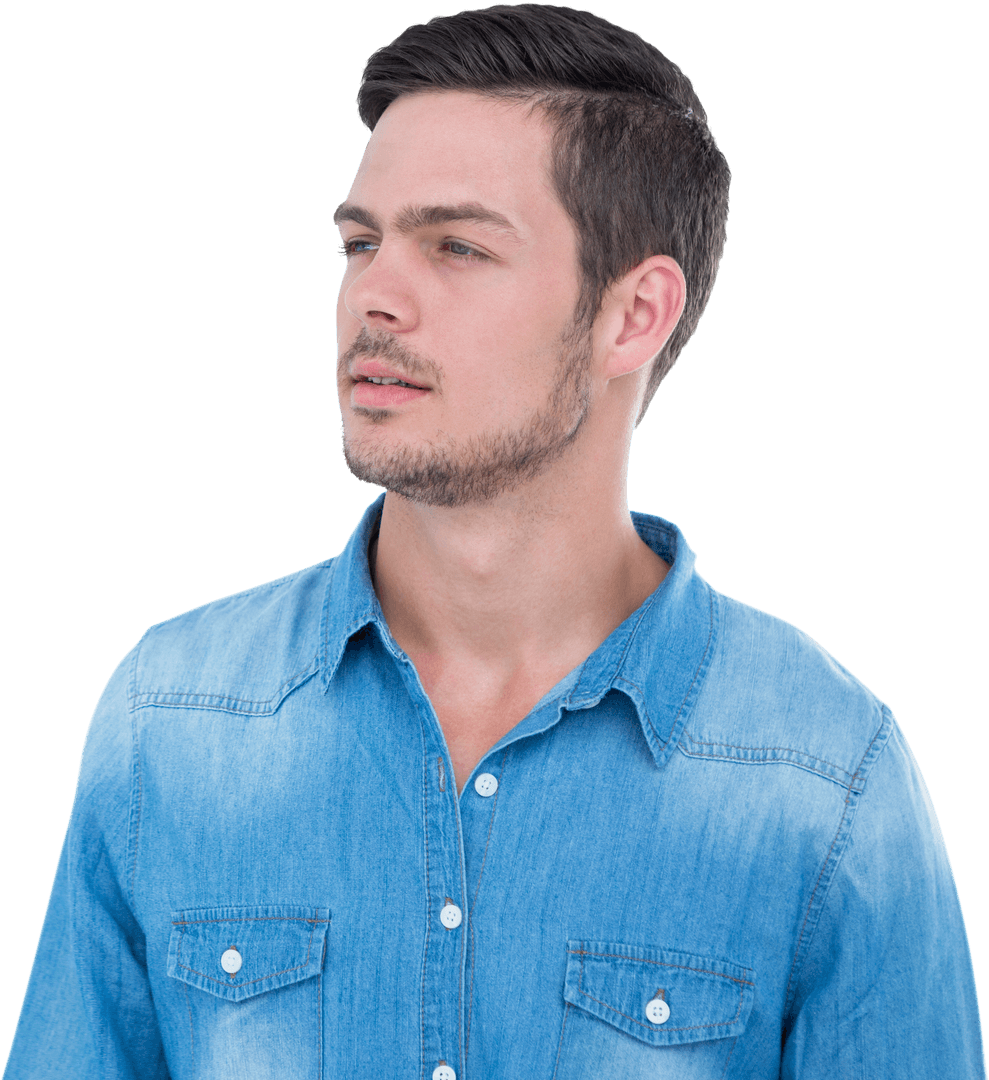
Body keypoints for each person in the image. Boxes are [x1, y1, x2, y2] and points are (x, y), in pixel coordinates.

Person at [4, 4, 984, 1078]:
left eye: (457, 246)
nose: (372, 296)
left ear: (632, 316)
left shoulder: (824, 779)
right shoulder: (172, 722)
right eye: (360, 242)